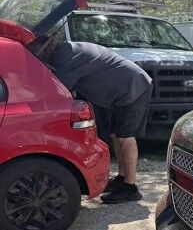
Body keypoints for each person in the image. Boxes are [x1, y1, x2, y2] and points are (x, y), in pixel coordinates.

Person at [42, 39, 152, 204]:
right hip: (122, 89)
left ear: (47, 46)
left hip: (132, 87)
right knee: (116, 135)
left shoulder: (63, 56)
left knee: (125, 137)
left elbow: (58, 89)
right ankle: (122, 179)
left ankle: (130, 188)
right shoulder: (68, 50)